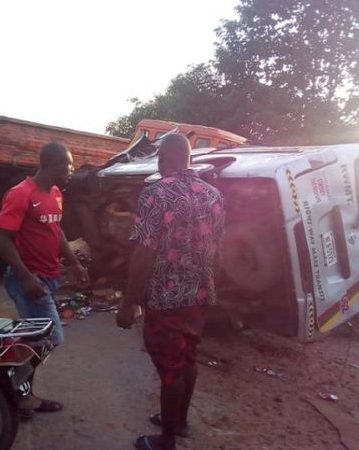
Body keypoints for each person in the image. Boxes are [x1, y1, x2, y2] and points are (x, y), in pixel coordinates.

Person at [117, 134, 225, 450]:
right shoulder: (214, 195)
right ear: (189, 159)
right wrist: (210, 289)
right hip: (198, 296)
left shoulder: (155, 194)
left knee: (170, 368)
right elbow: (218, 250)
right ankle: (179, 422)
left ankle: (166, 441)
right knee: (187, 357)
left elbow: (143, 253)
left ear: (163, 157)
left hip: (166, 298)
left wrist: (127, 303)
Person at [0, 142, 89, 417]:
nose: (71, 170)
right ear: (53, 164)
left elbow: (56, 231)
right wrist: (26, 277)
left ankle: (22, 396)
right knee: (50, 338)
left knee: (33, 341)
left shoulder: (56, 193)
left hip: (49, 277)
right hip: (29, 281)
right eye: (68, 165)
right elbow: (2, 238)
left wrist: (74, 263)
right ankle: (10, 389)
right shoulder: (21, 193)